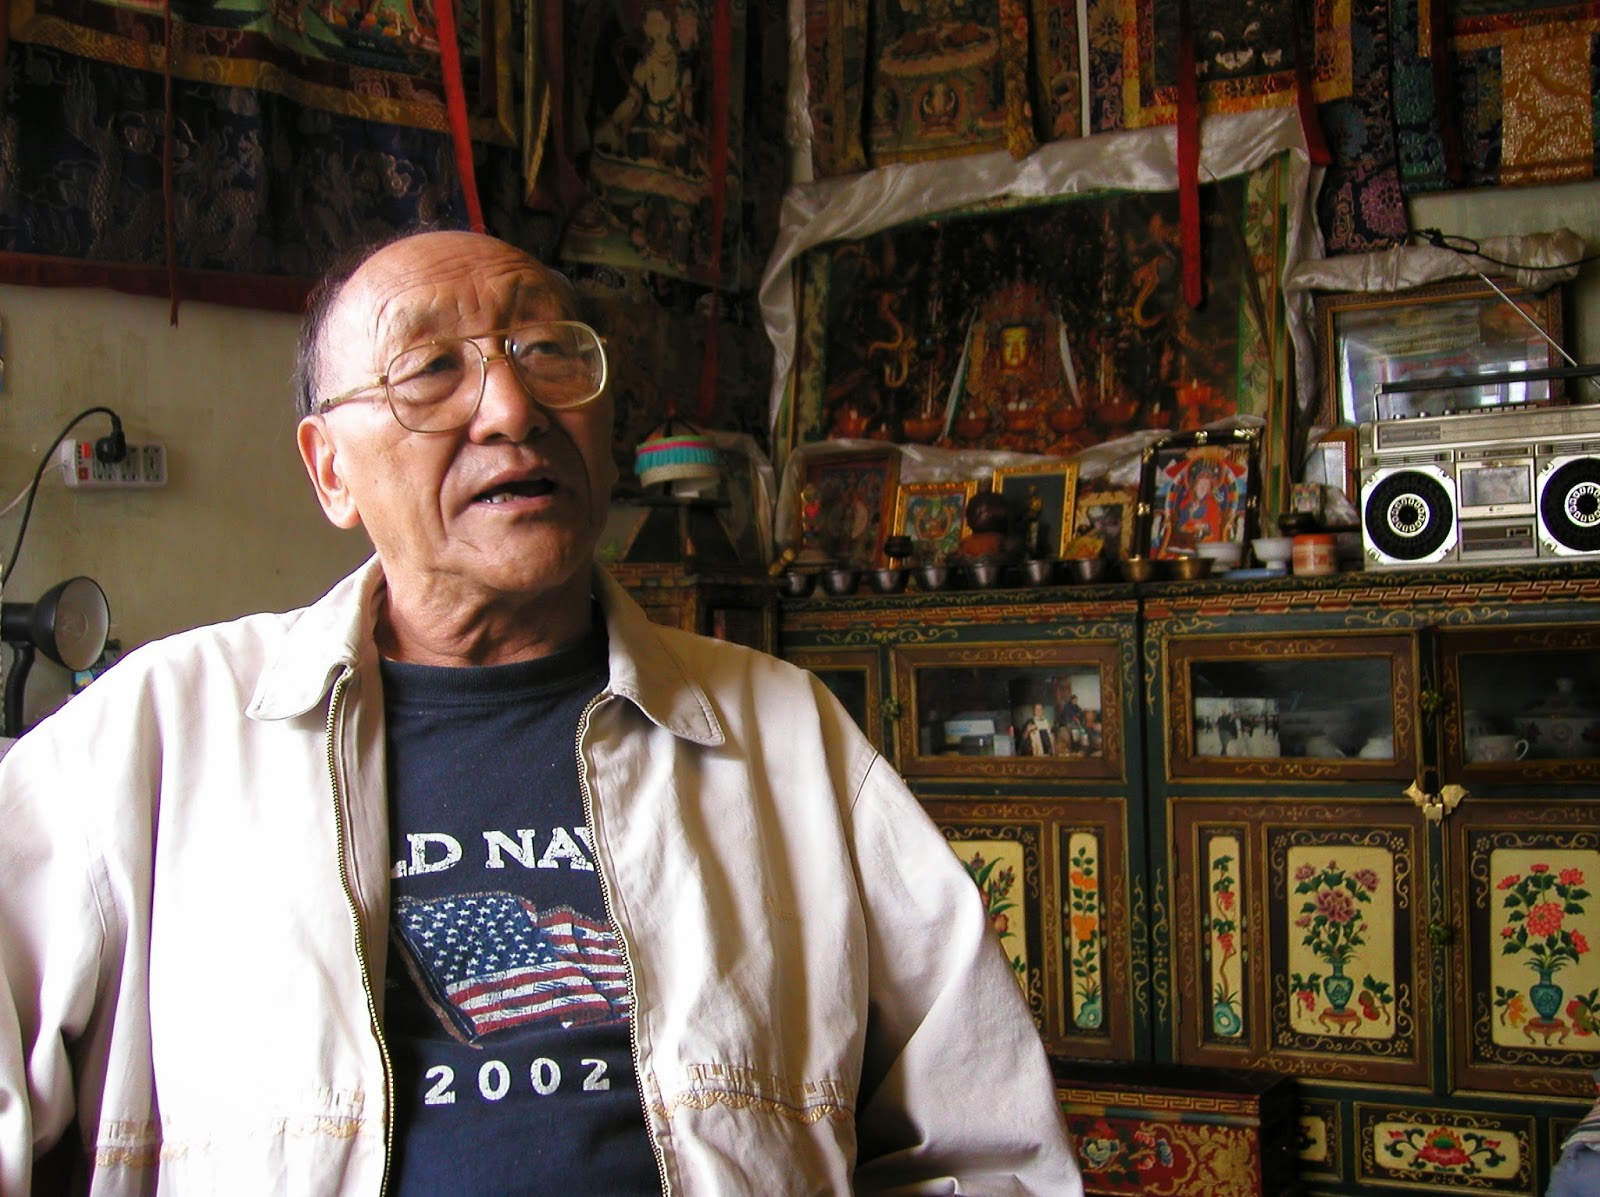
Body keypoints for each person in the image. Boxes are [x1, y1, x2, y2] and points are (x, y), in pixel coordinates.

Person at [0, 230, 1081, 1194]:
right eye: (431, 369)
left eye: (548, 352)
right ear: (331, 471)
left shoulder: (785, 737)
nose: (513, 409)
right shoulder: (159, 734)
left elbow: (988, 1144)